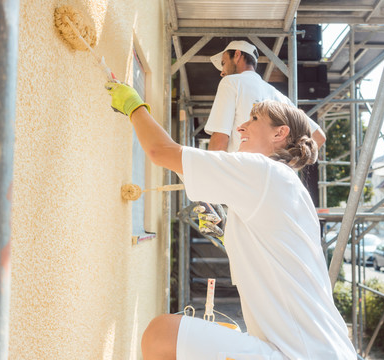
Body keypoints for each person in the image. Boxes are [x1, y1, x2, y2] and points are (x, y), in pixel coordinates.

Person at [105, 82, 357, 360]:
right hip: (319, 350)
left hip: (302, 354)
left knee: (161, 334)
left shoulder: (264, 173)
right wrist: (229, 233)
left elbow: (160, 151)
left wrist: (134, 106)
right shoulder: (284, 185)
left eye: (254, 119)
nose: (241, 127)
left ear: (280, 133)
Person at [206, 40, 326, 152]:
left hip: (240, 170)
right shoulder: (280, 97)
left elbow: (220, 138)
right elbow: (318, 137)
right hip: (270, 173)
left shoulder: (231, 82)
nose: (222, 72)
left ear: (237, 55)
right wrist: (287, 163)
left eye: (224, 63)